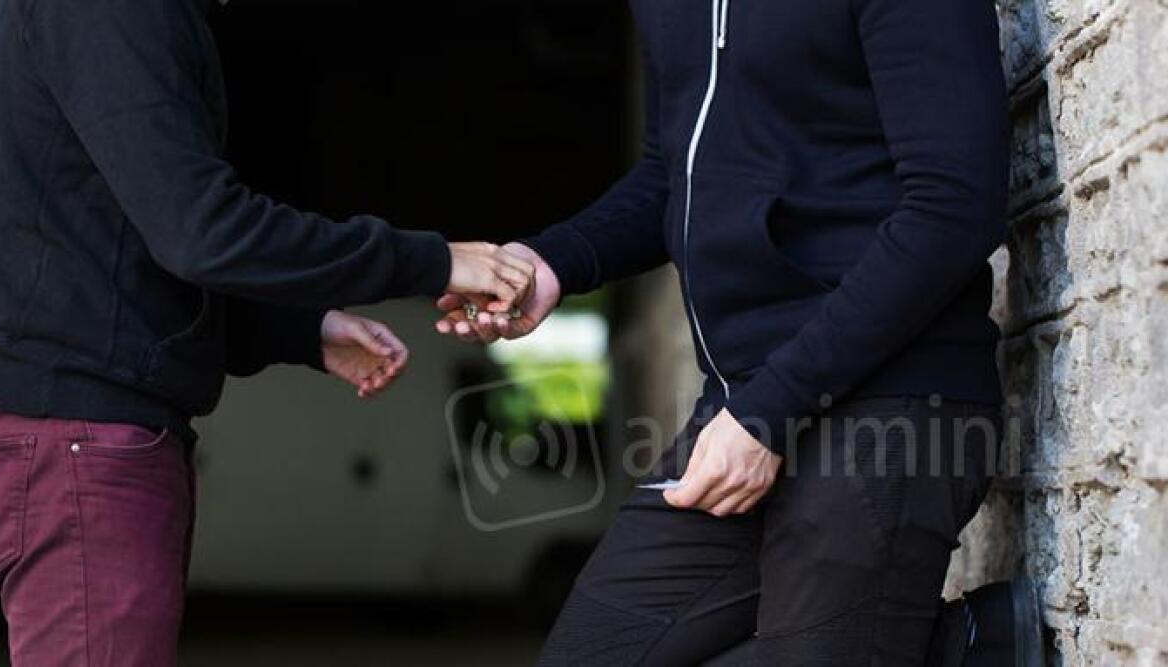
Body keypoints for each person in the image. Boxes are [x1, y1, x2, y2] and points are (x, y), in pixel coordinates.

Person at [436, 0, 1044, 664]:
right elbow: (674, 170)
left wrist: (768, 412)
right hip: (741, 404)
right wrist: (551, 262)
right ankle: (949, 651)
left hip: (894, 395)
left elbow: (954, 206)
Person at [0, 0, 532, 664]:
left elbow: (113, 250)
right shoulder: (108, 10)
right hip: (77, 439)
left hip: (75, 433)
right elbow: (199, 231)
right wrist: (435, 259)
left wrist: (298, 329)